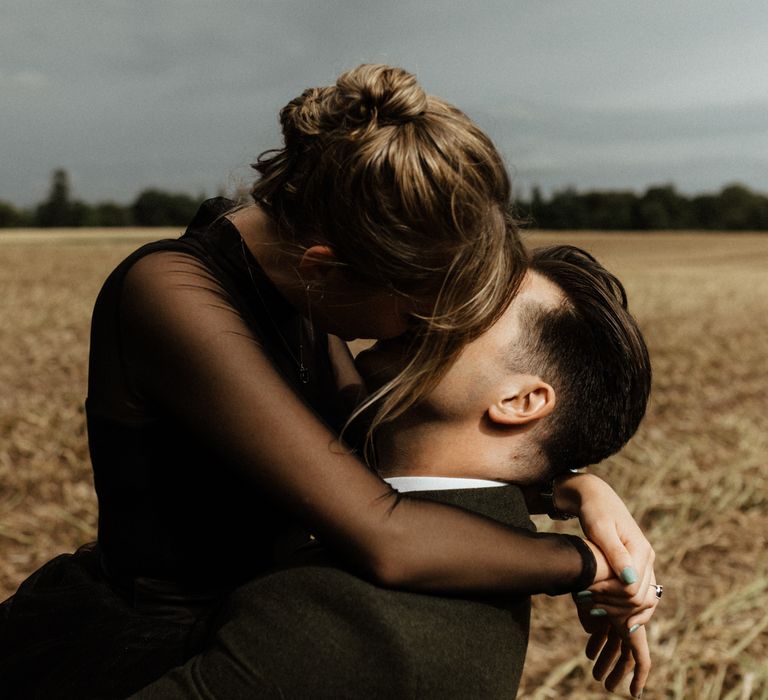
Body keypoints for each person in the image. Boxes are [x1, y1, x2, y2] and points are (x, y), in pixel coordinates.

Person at [0, 65, 653, 698]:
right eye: (418, 309)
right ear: (325, 268)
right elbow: (385, 534)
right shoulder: (171, 294)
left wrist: (572, 487)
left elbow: (358, 443)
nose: (429, 329)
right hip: (134, 647)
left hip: (254, 625)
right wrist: (588, 566)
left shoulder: (305, 284)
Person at [133, 245, 656, 699]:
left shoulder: (359, 624)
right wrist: (573, 485)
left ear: (520, 400)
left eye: (475, 305)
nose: (433, 303)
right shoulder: (458, 541)